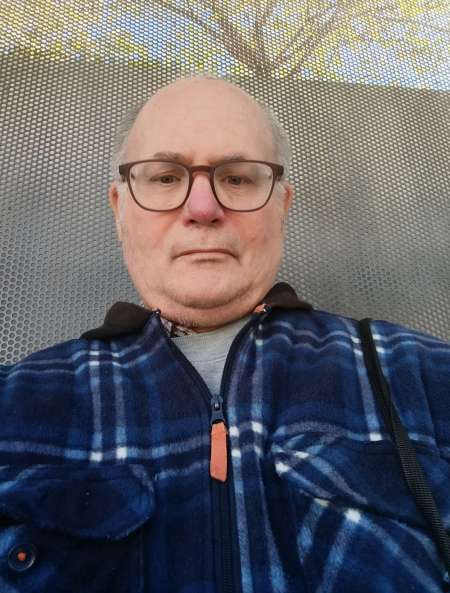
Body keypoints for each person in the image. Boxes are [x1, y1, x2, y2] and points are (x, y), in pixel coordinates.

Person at [0, 75, 449, 593]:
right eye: (165, 177)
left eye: (237, 178)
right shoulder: (15, 403)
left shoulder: (423, 378)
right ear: (120, 209)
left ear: (281, 206)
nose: (202, 209)